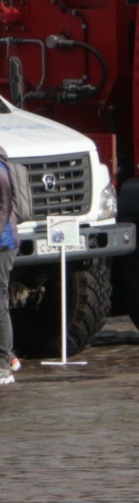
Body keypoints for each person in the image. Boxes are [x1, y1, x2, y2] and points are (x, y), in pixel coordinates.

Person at [0, 146, 31, 386]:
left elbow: (5, 209)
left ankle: (3, 366)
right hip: (5, 241)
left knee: (0, 303)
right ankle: (10, 358)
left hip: (4, 243)